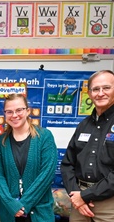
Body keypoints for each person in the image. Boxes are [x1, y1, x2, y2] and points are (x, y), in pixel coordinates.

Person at [0, 93, 57, 222]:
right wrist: (12, 204)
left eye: (19, 110)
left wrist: (24, 204)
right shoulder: (1, 142)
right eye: (9, 112)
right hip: (10, 213)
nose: (14, 115)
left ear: (28, 111)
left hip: (39, 211)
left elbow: (47, 174)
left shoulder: (44, 137)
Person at [60, 70, 114, 221]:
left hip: (109, 205)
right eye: (95, 89)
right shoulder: (83, 125)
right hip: (79, 202)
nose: (100, 93)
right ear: (89, 94)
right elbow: (67, 164)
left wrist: (85, 196)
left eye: (106, 88)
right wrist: (76, 195)